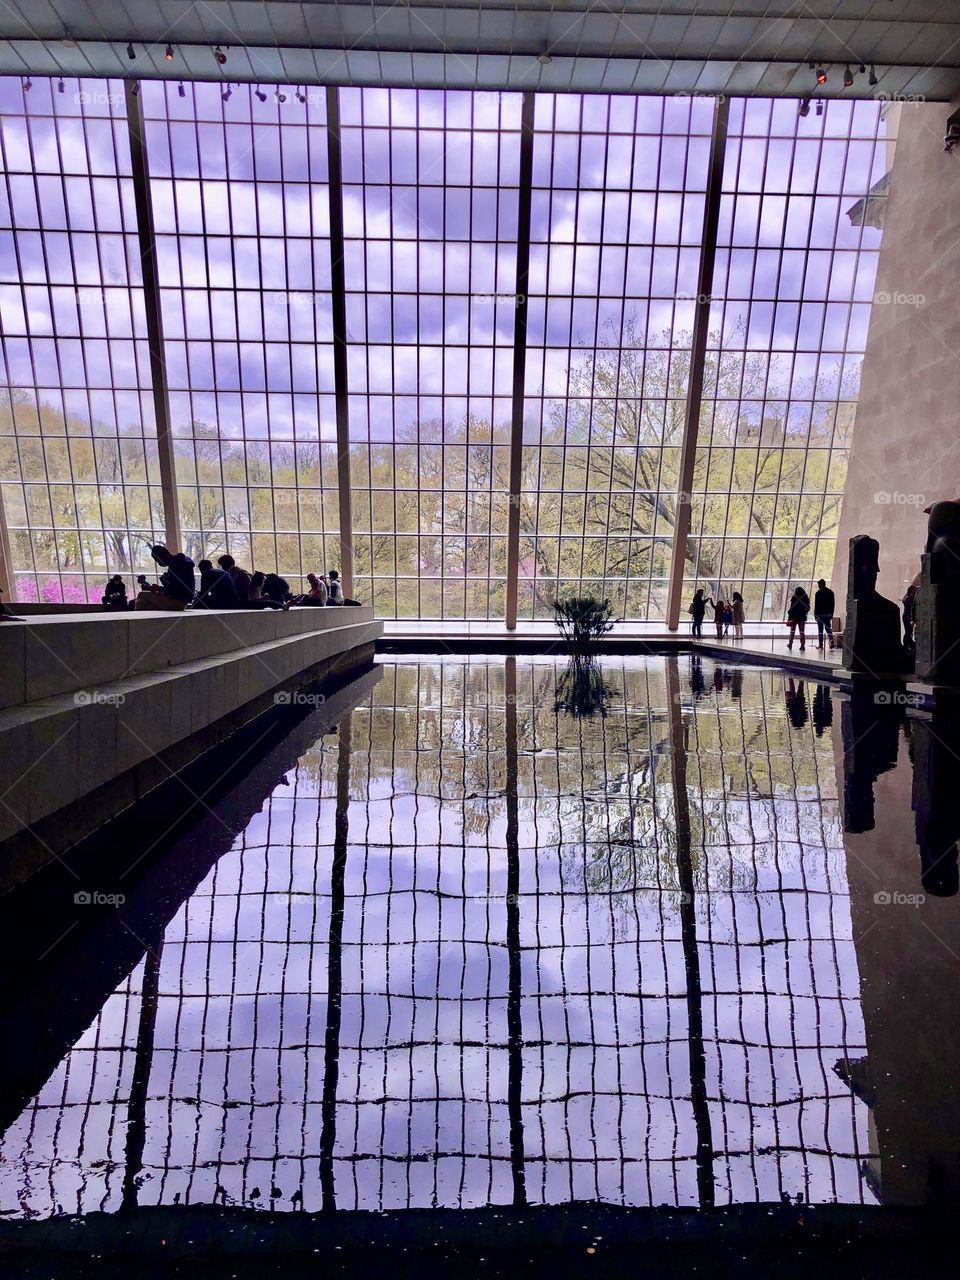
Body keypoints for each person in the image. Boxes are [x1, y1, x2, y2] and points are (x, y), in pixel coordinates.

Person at [135, 545, 195, 611]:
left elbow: (175, 589)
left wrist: (159, 589)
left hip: (177, 601)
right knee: (142, 603)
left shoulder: (174, 565)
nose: (159, 563)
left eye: (158, 560)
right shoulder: (181, 562)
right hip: (183, 601)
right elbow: (178, 587)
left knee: (142, 595)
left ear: (164, 555)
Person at [813, 578, 835, 649]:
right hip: (828, 614)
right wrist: (831, 613)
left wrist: (815, 614)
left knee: (820, 630)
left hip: (820, 614)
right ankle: (831, 639)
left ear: (819, 585)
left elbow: (816, 605)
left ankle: (821, 645)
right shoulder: (831, 592)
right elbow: (833, 604)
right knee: (828, 628)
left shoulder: (818, 593)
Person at [786, 586, 810, 651]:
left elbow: (791, 608)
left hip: (794, 617)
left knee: (792, 631)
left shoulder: (794, 598)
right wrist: (804, 613)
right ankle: (802, 645)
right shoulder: (805, 598)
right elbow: (808, 608)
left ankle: (790, 644)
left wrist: (790, 618)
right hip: (802, 617)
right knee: (802, 632)